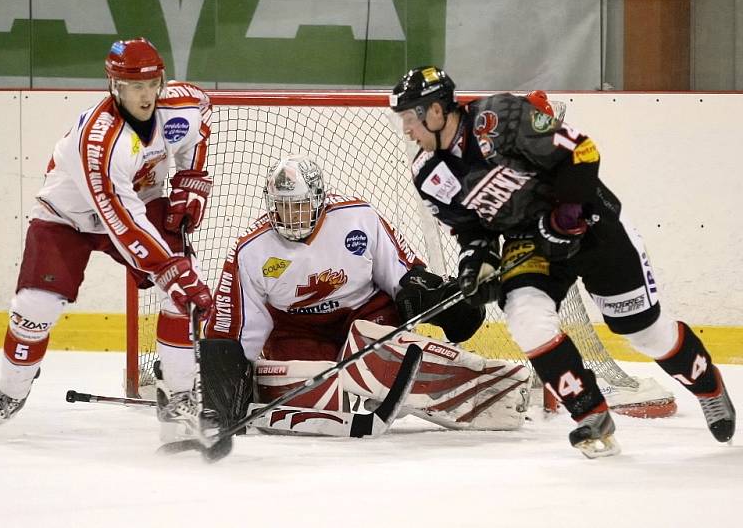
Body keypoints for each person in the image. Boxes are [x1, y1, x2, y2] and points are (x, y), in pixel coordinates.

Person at [389, 66, 736, 457]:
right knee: (525, 316)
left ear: (435, 112)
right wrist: (476, 263)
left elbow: (581, 153)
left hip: (591, 225)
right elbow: (470, 227)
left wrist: (566, 216)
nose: (406, 130)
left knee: (643, 332)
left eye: (409, 117)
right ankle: (591, 414)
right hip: (530, 243)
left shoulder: (499, 117)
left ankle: (708, 386)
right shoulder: (429, 172)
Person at [0, 38, 214, 438]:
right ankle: (9, 393)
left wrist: (191, 179)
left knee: (185, 284)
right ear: (115, 86)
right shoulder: (101, 141)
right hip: (69, 217)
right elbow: (121, 220)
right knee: (34, 306)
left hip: (136, 202)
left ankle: (178, 393)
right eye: (136, 87)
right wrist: (168, 269)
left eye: (152, 84)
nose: (147, 95)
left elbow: (201, 115)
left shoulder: (177, 105)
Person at [204, 154, 531, 434]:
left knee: (373, 341)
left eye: (300, 206)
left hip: (363, 314)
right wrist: (225, 382)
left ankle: (415, 379)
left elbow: (405, 276)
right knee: (307, 381)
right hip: (297, 328)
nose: (291, 217)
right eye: (282, 207)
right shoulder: (251, 250)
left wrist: (444, 301)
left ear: (319, 198)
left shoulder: (358, 217)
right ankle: (350, 386)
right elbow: (237, 328)